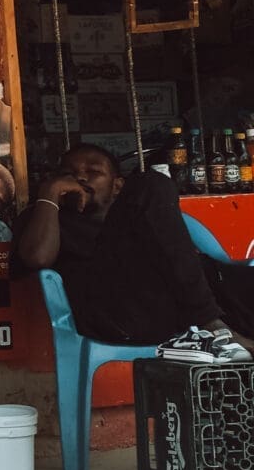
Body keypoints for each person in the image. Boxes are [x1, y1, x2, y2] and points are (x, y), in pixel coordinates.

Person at [16, 142, 254, 360]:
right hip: (112, 314)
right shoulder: (47, 218)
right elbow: (37, 257)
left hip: (165, 309)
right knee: (151, 182)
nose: (79, 177)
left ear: (117, 186)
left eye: (93, 172)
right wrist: (49, 194)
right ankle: (212, 326)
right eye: (68, 173)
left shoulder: (140, 221)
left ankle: (217, 331)